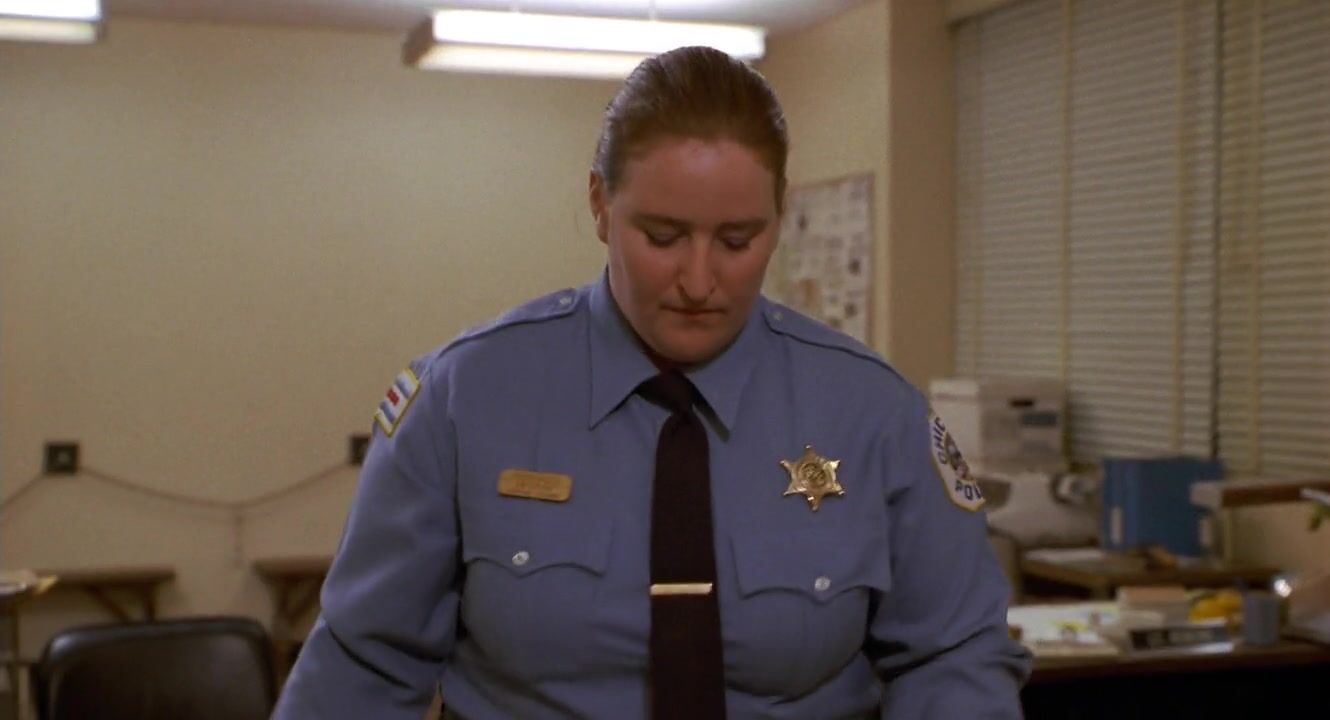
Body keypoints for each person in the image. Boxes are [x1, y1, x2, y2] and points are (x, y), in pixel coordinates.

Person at [273, 45, 1030, 720]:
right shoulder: (463, 399)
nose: (699, 280)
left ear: (780, 214)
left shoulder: (872, 413)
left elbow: (954, 657)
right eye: (662, 237)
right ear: (601, 205)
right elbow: (363, 667)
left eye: (737, 240)